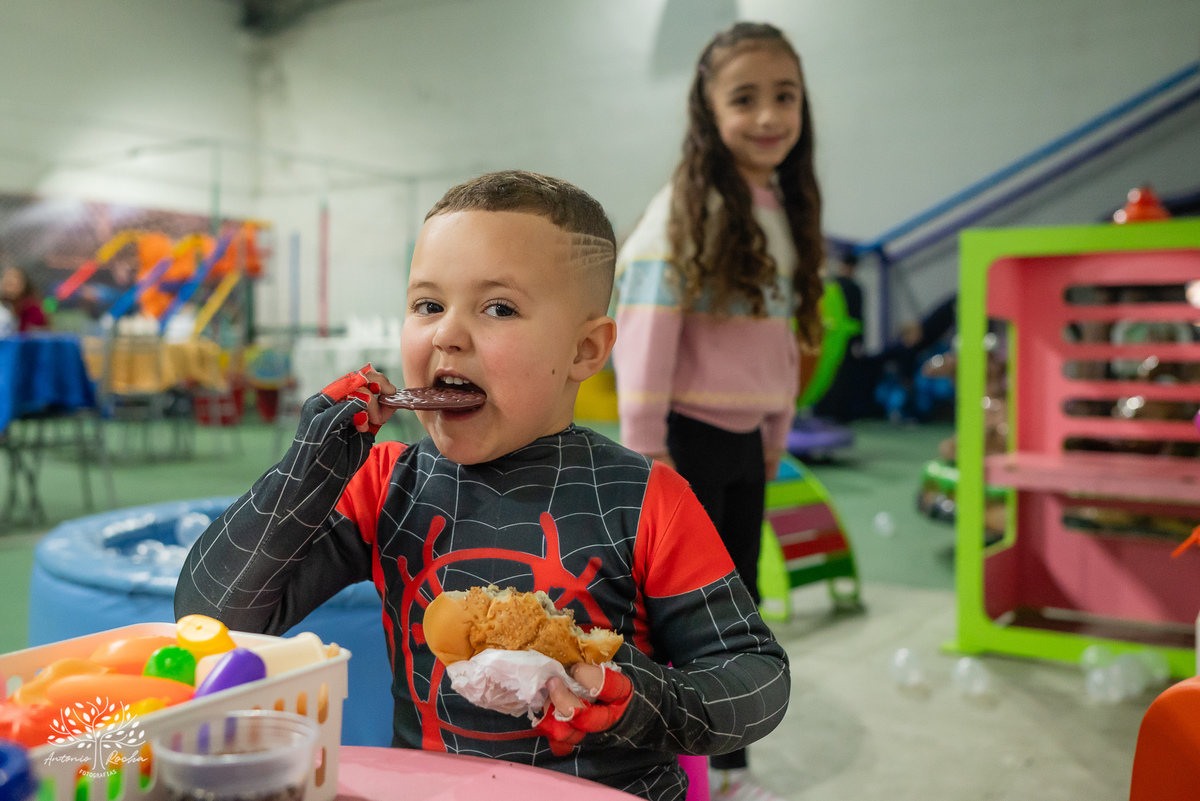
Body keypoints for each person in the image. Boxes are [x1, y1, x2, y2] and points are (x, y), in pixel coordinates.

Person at [175, 170, 789, 801]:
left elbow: (757, 677)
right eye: (427, 305)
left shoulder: (648, 498)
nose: (447, 333)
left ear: (585, 348)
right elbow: (209, 617)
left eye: (498, 307)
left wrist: (642, 699)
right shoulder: (385, 484)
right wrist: (300, 477)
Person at [611, 23, 820, 800]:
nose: (768, 115)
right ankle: (673, 768)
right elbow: (646, 337)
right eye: (745, 98)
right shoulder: (684, 213)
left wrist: (775, 437)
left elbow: (779, 344)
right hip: (684, 444)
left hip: (742, 447)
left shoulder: (780, 206)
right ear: (708, 110)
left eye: (785, 96)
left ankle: (728, 768)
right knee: (677, 619)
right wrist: (648, 454)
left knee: (740, 615)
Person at [0, 266, 49, 332]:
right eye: (8, 282)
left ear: (24, 285)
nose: (10, 286)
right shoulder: (4, 307)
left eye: (14, 282)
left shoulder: (32, 309)